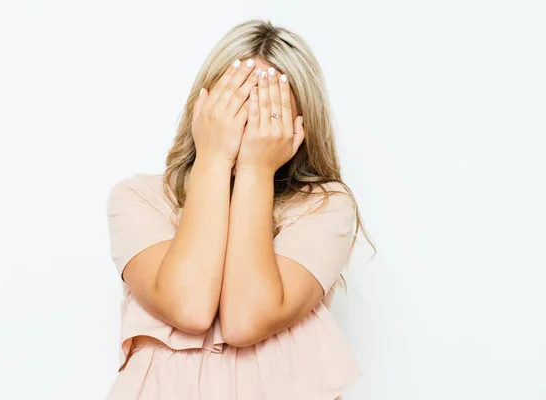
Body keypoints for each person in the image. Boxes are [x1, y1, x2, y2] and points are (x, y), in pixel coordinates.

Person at [105, 19, 375, 400]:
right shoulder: (139, 199)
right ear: (204, 107)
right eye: (236, 102)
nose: (250, 121)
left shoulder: (324, 206)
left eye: (270, 109)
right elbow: (190, 306)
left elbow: (246, 320)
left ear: (301, 123)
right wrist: (214, 157)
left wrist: (256, 169)